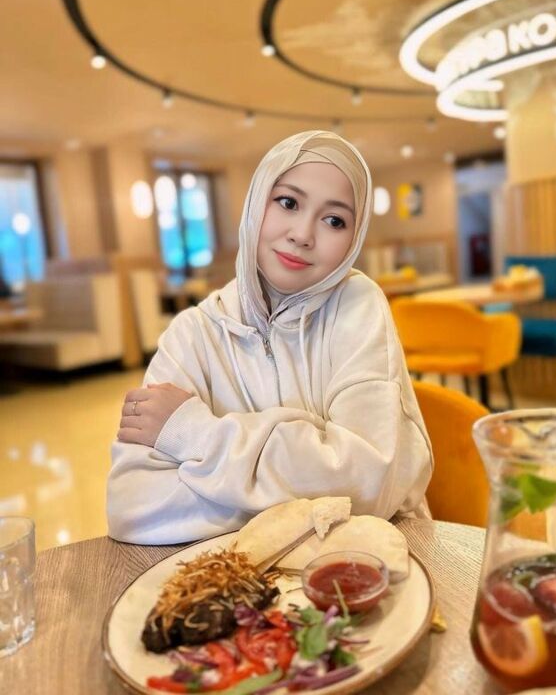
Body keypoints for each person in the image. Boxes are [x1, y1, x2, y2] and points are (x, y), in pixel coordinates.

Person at [107, 130, 432, 544]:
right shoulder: (191, 334)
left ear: (354, 238)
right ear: (257, 201)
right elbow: (134, 508)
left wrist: (195, 433)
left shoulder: (357, 305)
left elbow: (370, 485)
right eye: (288, 202)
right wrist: (316, 456)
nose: (303, 234)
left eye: (334, 220)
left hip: (368, 559)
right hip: (235, 571)